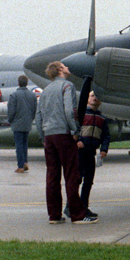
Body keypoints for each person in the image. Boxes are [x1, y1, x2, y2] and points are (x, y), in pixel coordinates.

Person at [34, 61, 96, 225]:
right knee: (71, 174)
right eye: (65, 66)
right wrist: (75, 130)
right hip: (63, 134)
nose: (68, 67)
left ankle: (54, 215)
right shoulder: (67, 86)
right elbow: (70, 110)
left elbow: (38, 116)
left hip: (49, 136)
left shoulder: (46, 90)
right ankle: (77, 214)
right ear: (60, 69)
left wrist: (43, 136)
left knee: (52, 176)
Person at [73, 91, 109, 214]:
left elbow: (106, 135)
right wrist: (78, 141)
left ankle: (84, 207)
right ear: (87, 99)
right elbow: (74, 129)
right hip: (81, 152)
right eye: (92, 96)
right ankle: (71, 205)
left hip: (91, 152)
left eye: (97, 96)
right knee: (77, 179)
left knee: (88, 181)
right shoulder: (81, 115)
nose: (94, 98)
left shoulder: (102, 118)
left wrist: (104, 149)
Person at [6, 75, 37, 173]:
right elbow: (34, 110)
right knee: (25, 144)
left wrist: (10, 120)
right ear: (27, 83)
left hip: (17, 123)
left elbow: (11, 111)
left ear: (18, 83)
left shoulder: (14, 95)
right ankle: (25, 162)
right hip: (27, 123)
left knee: (19, 145)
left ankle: (20, 166)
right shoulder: (32, 95)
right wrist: (30, 119)